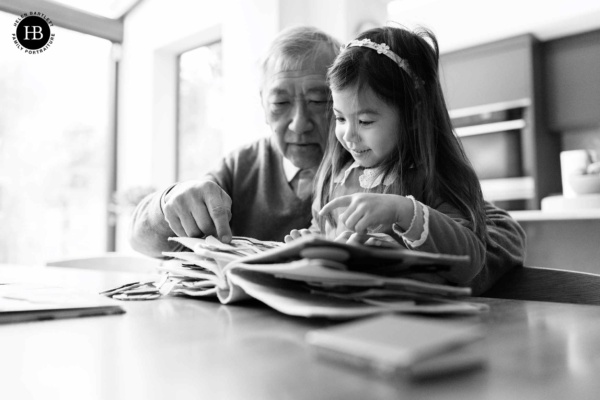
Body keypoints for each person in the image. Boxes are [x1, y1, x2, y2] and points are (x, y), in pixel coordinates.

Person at [285, 26, 526, 294]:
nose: (349, 135)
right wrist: (312, 242)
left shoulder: (431, 177)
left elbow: (470, 259)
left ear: (413, 115)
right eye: (340, 118)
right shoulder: (337, 176)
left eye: (365, 121)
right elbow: (325, 232)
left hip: (407, 323)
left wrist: (404, 211)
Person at [129, 26, 341, 257]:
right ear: (263, 105)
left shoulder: (368, 167)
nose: (299, 124)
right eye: (280, 103)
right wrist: (168, 201)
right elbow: (142, 241)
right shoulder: (241, 166)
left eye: (319, 100)